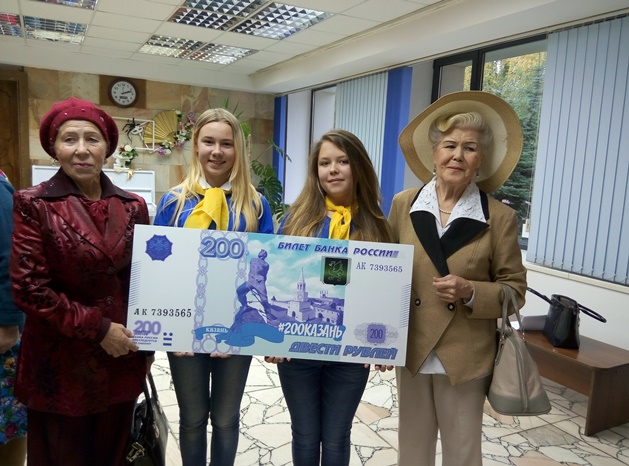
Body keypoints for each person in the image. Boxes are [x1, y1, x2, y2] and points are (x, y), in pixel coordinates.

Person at [9, 97, 152, 466]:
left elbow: (143, 280)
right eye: (69, 139)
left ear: (107, 147)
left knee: (113, 455)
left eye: (92, 139)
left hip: (121, 359)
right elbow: (29, 289)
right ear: (54, 148)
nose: (82, 149)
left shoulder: (133, 206)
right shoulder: (34, 204)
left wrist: (151, 343)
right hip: (61, 366)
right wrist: (100, 328)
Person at [389, 91, 528, 466]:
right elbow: (385, 271)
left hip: (466, 356)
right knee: (412, 451)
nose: (457, 155)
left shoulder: (499, 217)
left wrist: (471, 291)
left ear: (480, 160)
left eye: (470, 148)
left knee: (462, 453)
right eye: (449, 145)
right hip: (413, 349)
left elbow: (515, 291)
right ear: (434, 153)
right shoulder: (403, 205)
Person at [153, 107, 274, 466]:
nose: (217, 152)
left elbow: (266, 269)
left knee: (225, 419)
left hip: (236, 330)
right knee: (192, 419)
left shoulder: (255, 205)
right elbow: (160, 273)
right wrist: (173, 330)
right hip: (185, 331)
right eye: (209, 142)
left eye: (226, 143)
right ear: (196, 145)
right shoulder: (174, 203)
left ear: (238, 150)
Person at [266, 129, 394, 466]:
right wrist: (272, 339)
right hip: (297, 353)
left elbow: (386, 291)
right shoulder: (296, 221)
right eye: (325, 163)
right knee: (305, 434)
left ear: (358, 167)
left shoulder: (377, 225)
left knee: (337, 436)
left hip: (350, 356)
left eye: (343, 161)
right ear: (316, 171)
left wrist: (386, 341)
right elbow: (276, 279)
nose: (333, 169)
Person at [0, 169, 27, 466]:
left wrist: (8, 323)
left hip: (4, 335)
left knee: (9, 420)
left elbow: (11, 257)